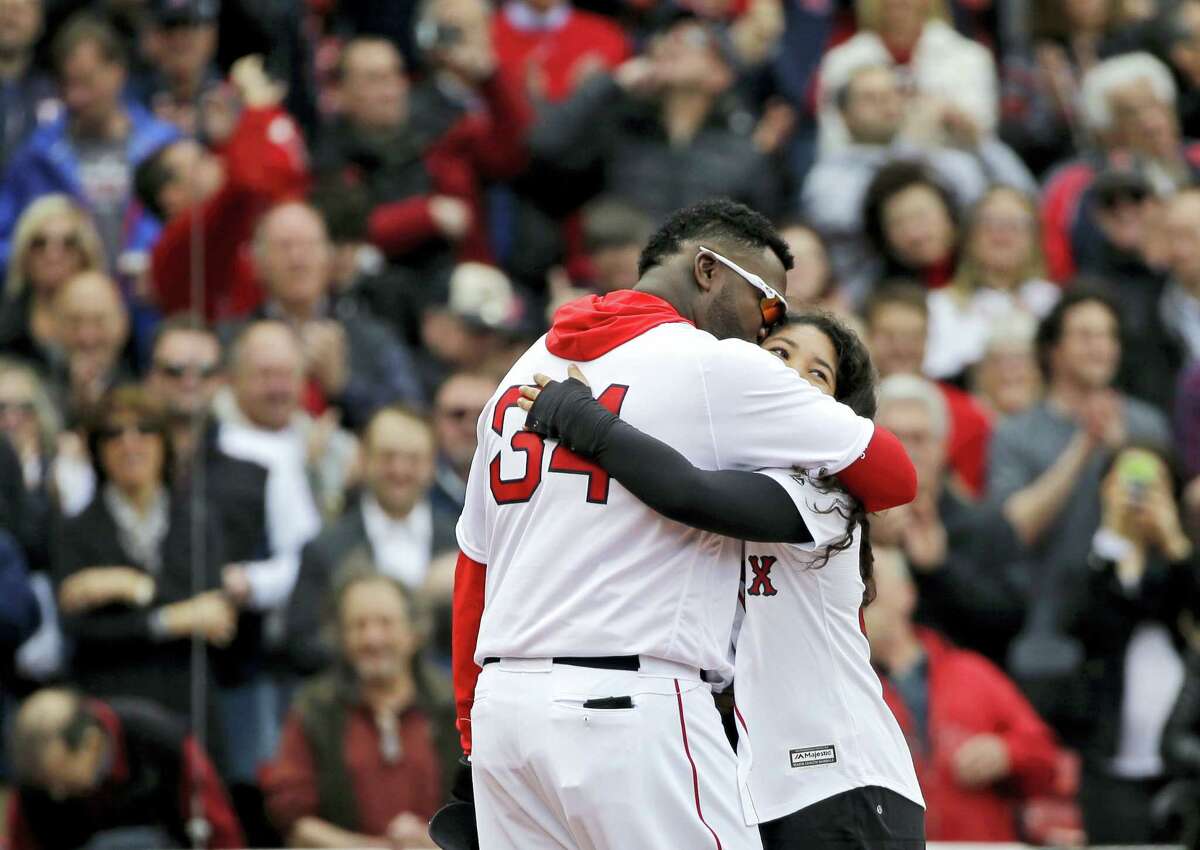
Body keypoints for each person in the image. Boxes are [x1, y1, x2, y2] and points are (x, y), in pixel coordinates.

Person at [453, 199, 916, 848]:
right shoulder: (713, 367)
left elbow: (474, 569)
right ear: (708, 270)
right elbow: (895, 474)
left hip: (511, 711)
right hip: (631, 705)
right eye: (767, 305)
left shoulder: (518, 374)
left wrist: (473, 729)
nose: (765, 328)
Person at [517, 311, 926, 847]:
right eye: (779, 354)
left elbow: (690, 493)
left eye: (818, 372)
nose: (792, 374)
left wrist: (586, 421)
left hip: (840, 780)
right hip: (748, 788)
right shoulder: (712, 474)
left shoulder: (825, 494)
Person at [52, 386, 235, 724]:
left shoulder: (197, 521)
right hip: (108, 709)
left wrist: (133, 588)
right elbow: (81, 630)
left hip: (189, 707)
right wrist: (176, 616)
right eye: (113, 434)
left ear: (164, 443)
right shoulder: (74, 529)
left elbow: (215, 616)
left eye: (145, 430)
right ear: (97, 450)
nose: (129, 443)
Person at [865, 549, 1061, 842]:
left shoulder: (972, 673)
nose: (859, 593)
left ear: (907, 594)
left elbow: (1047, 759)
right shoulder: (846, 689)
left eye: (870, 582)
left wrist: (1006, 753)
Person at [313, 33, 530, 293]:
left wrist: (491, 79)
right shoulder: (330, 154)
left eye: (395, 75)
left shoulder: (440, 128)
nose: (390, 90)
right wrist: (426, 215)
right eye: (374, 79)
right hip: (380, 294)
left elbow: (517, 151)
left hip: (464, 285)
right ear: (341, 92)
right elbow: (346, 230)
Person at [803, 64, 1035, 302]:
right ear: (844, 114)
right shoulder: (828, 176)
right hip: (875, 299)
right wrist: (912, 150)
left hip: (964, 292)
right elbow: (850, 215)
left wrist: (981, 142)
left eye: (893, 94)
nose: (885, 104)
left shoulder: (938, 158)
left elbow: (1022, 198)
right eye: (870, 98)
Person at [1063, 443, 1200, 843]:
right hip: (1111, 769)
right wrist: (1112, 539)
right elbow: (1083, 625)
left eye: (1152, 486)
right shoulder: (1092, 561)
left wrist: (1173, 539)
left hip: (1185, 770)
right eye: (1128, 483)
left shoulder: (1183, 564)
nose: (1139, 496)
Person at [265, 570, 456, 848]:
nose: (372, 639)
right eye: (358, 625)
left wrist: (436, 842)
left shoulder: (452, 706)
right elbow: (293, 820)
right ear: (341, 638)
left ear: (414, 632)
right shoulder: (315, 708)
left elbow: (484, 808)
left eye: (385, 623)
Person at [529, 18, 782, 226]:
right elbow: (543, 147)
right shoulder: (620, 129)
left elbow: (761, 238)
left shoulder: (743, 150)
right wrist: (612, 83)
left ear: (722, 75)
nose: (673, 43)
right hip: (623, 280)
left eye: (695, 39)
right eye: (668, 36)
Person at [868, 375, 1029, 665]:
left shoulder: (985, 525)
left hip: (961, 690)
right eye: (894, 437)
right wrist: (870, 543)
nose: (906, 450)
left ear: (942, 448)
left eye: (918, 438)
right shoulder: (846, 524)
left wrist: (941, 568)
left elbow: (1011, 622)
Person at [0, 14, 179, 272]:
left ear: (117, 72)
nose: (75, 97)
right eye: (67, 84)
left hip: (150, 303)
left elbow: (198, 235)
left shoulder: (164, 148)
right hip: (64, 305)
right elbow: (5, 240)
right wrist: (35, 259)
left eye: (86, 82)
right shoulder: (37, 156)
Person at [287, 406, 458, 673]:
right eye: (387, 457)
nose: (399, 470)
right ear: (363, 460)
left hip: (444, 705)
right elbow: (300, 643)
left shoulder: (463, 545)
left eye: (413, 459)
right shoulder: (325, 548)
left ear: (431, 465)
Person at [139, 54, 309, 322]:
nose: (218, 160)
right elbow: (244, 187)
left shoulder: (230, 225)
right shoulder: (174, 246)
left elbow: (282, 181)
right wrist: (256, 110)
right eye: (202, 160)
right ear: (171, 195)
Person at [229, 201, 424, 429]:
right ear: (257, 262)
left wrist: (343, 386)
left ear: (329, 257)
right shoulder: (233, 338)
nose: (297, 259)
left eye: (309, 246)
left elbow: (412, 426)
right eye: (283, 247)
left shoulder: (374, 339)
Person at [5, 688, 244, 849]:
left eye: (62, 780)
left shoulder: (160, 742)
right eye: (47, 786)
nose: (58, 794)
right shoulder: (33, 781)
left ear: (90, 744)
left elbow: (220, 830)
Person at [1042, 52, 1200, 281]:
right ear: (1106, 130)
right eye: (1131, 113)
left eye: (1156, 105)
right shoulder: (1074, 185)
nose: (1152, 122)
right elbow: (1061, 267)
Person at [815, 0, 998, 154]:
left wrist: (955, 120)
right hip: (861, 172)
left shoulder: (970, 57)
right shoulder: (841, 60)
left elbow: (985, 140)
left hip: (946, 172)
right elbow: (832, 141)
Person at [863, 282, 993, 497]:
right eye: (888, 335)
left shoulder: (969, 416)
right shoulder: (844, 407)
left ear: (928, 339)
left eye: (913, 337)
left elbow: (972, 506)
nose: (901, 348)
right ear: (867, 337)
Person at [926, 186, 1060, 381]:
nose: (1003, 233)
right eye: (990, 223)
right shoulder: (939, 306)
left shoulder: (1052, 302)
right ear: (970, 236)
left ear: (1034, 238)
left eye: (1016, 224)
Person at [0, 194, 106, 370]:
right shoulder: (6, 318)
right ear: (23, 254)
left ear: (85, 254)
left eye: (68, 243)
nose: (53, 255)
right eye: (40, 243)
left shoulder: (110, 311)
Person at [47, 270, 133, 425]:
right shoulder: (35, 388)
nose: (87, 337)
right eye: (74, 322)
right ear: (55, 327)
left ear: (123, 324)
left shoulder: (146, 386)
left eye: (99, 321)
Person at [861, 160, 961, 289]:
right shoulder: (886, 296)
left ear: (948, 213)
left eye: (920, 216)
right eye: (897, 224)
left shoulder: (988, 267)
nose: (914, 234)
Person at [136, 0, 221, 137]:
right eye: (169, 27)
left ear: (211, 35)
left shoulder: (239, 98)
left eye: (190, 25)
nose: (179, 38)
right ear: (148, 38)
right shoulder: (129, 103)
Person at [0, 0, 57, 172]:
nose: (9, 17)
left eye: (19, 10)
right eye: (1, 8)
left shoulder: (57, 91)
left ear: (40, 23)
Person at [431, 370, 495, 517]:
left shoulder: (523, 491)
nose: (469, 427)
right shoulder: (413, 489)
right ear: (435, 420)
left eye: (483, 416)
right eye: (458, 415)